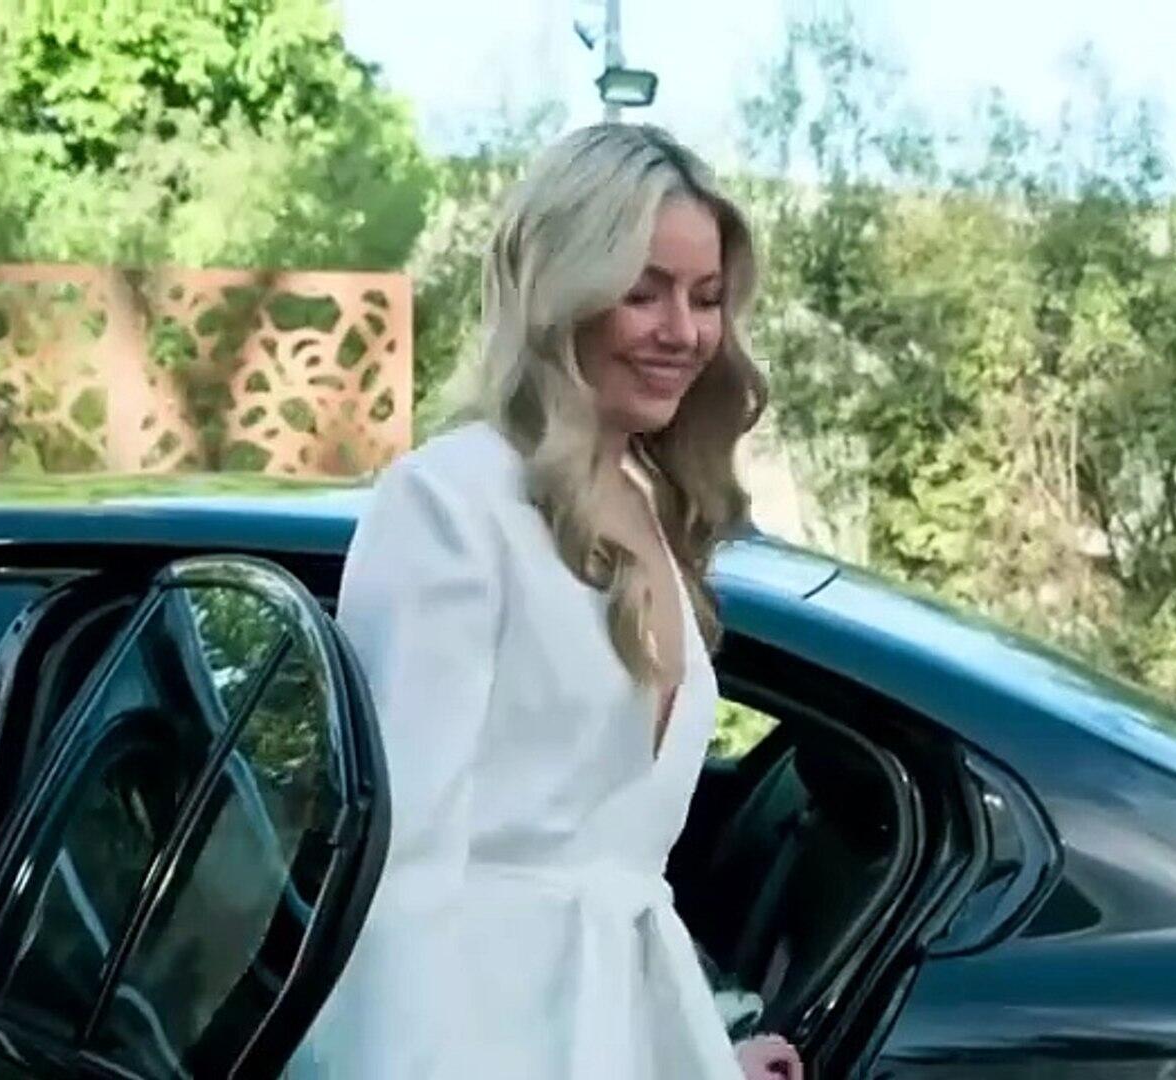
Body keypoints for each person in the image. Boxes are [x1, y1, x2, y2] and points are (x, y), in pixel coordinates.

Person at [291, 123, 804, 1079]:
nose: (684, 332)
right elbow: (397, 879)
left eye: (705, 298)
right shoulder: (449, 503)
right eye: (644, 292)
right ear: (559, 294)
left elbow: (612, 883)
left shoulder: (651, 507)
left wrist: (704, 1052)